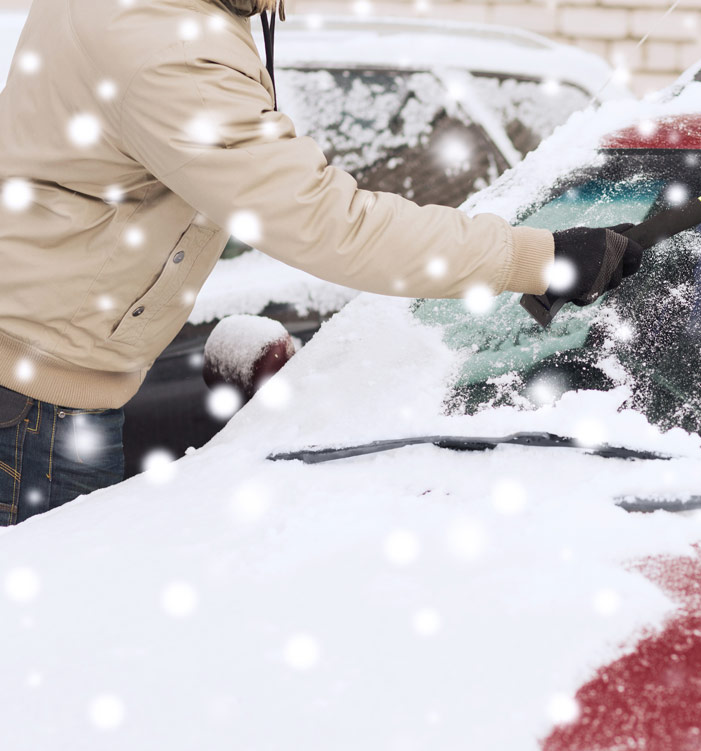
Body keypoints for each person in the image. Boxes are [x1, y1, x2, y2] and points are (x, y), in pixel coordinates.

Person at [0, 0, 642, 525]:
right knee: (41, 653)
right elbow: (326, 223)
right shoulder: (168, 47)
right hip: (40, 407)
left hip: (38, 369)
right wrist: (544, 255)